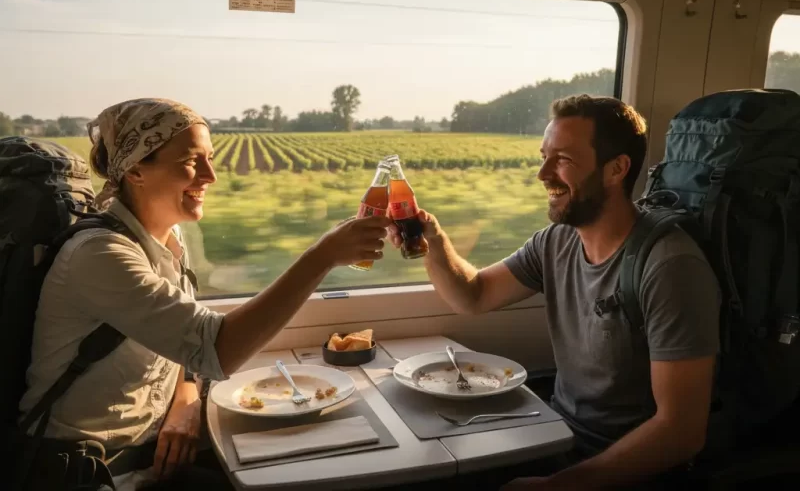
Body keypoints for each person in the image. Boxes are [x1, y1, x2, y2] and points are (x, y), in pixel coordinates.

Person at [17, 98, 391, 491]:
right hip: (89, 473)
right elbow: (216, 348)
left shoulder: (170, 239)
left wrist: (186, 398)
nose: (210, 175)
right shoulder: (100, 256)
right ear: (136, 170)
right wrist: (322, 257)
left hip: (151, 456)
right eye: (192, 161)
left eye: (210, 158)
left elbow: (181, 336)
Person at [389, 95, 721, 490]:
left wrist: (557, 486)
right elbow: (473, 295)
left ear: (616, 169)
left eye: (562, 159)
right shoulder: (556, 243)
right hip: (555, 436)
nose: (542, 174)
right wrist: (433, 238)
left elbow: (679, 431)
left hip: (623, 469)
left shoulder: (669, 267)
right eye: (544, 156)